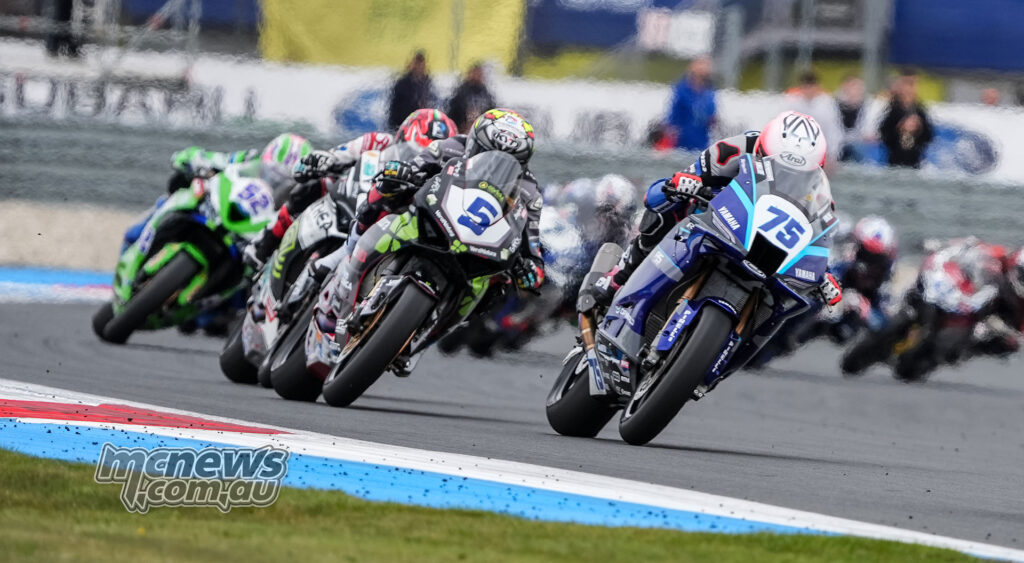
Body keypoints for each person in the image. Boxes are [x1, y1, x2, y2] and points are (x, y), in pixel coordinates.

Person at [593, 110, 842, 308]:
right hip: (716, 215)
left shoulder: (818, 191)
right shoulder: (733, 149)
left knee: (792, 298)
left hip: (764, 248)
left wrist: (824, 273)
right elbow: (681, 180)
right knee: (667, 202)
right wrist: (690, 183)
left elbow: (816, 235)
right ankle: (622, 275)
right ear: (763, 148)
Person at [347, 108, 545, 292]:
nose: (493, 167)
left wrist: (529, 270)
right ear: (472, 143)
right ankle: (352, 247)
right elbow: (414, 167)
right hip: (434, 213)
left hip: (481, 250)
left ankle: (463, 323)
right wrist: (402, 173)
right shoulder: (450, 147)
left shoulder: (529, 192)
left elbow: (534, 254)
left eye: (504, 162)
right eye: (486, 154)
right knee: (387, 188)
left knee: (499, 286)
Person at [246, 109, 458, 266]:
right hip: (349, 200)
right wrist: (325, 159)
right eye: (414, 152)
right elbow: (343, 152)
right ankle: (265, 242)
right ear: (403, 135)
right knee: (316, 185)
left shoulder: (441, 181)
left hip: (385, 224)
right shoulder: (382, 141)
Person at [123, 134, 312, 250]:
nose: (276, 183)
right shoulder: (245, 159)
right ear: (265, 158)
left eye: (285, 182)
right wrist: (193, 161)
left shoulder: (296, 205)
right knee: (177, 195)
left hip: (247, 237)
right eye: (272, 171)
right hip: (215, 209)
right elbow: (209, 157)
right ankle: (137, 243)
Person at [784, 70, 843, 164]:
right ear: (801, 88)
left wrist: (833, 155)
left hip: (822, 149)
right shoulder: (793, 103)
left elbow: (833, 130)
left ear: (818, 87)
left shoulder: (827, 104)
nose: (809, 91)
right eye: (806, 87)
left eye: (811, 87)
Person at [879, 69, 934, 168]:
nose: (911, 88)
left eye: (914, 84)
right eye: (908, 84)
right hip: (894, 162)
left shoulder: (920, 111)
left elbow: (929, 137)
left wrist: (919, 128)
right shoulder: (892, 110)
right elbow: (884, 136)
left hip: (915, 162)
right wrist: (900, 127)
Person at [666, 56, 717, 151]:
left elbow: (711, 115)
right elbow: (673, 116)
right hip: (681, 142)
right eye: (700, 64)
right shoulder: (681, 90)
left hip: (701, 142)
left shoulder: (709, 92)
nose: (703, 68)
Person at [387, 52, 437, 130]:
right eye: (417, 64)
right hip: (405, 124)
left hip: (422, 124)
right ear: (412, 65)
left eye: (421, 64)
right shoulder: (402, 84)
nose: (419, 67)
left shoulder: (427, 83)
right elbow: (395, 109)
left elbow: (432, 102)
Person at [446, 62, 497, 133]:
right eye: (475, 73)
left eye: (479, 74)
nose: (477, 76)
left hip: (480, 130)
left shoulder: (486, 94)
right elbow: (453, 113)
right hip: (462, 130)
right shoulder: (461, 93)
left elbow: (492, 113)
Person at [835, 74, 869, 162]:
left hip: (859, 143)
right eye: (853, 87)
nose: (857, 91)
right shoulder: (834, 105)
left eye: (859, 88)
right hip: (838, 143)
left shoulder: (867, 106)